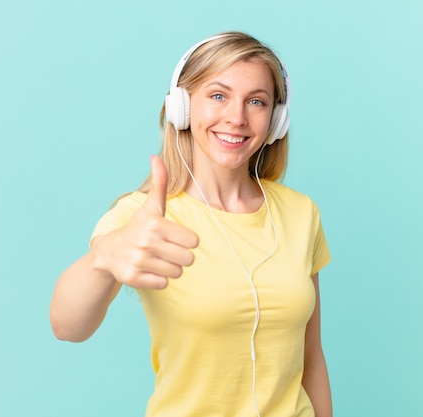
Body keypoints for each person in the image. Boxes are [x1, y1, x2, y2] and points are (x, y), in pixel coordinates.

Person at [50, 31, 333, 417]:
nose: (236, 117)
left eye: (257, 101)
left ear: (276, 120)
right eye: (218, 95)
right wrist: (103, 258)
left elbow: (311, 360)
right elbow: (68, 326)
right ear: (181, 107)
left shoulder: (301, 213)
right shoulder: (146, 215)